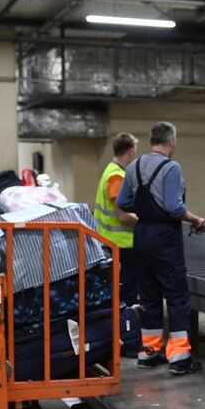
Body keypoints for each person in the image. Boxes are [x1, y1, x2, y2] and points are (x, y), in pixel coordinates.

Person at [117, 121, 205, 376]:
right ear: (171, 142)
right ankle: (179, 358)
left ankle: (148, 354)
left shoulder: (134, 166)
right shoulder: (171, 167)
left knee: (148, 296)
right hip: (164, 237)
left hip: (142, 234)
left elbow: (124, 201)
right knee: (177, 295)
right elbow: (174, 208)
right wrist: (197, 220)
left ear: (151, 141)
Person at [95, 132, 141, 355]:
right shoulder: (117, 177)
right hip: (121, 245)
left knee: (118, 295)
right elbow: (123, 215)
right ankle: (127, 340)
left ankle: (120, 339)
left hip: (111, 245)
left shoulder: (110, 171)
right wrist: (144, 221)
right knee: (127, 296)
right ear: (130, 151)